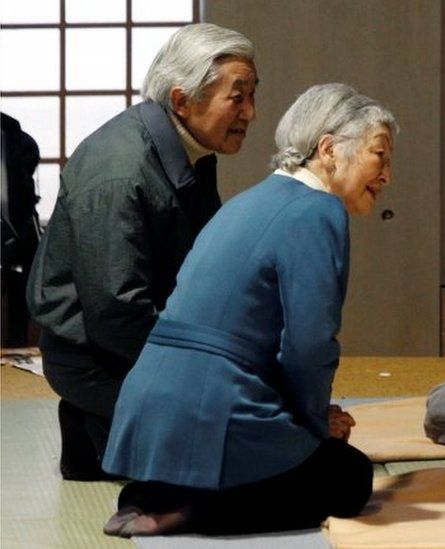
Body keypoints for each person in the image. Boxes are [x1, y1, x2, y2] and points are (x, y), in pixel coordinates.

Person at [100, 83, 397, 537]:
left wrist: (307, 416)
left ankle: (161, 493)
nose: (387, 175)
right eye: (380, 154)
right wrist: (316, 422)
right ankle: (199, 510)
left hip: (151, 411)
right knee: (350, 478)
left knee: (309, 451)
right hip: (215, 406)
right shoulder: (318, 212)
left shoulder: (249, 201)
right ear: (329, 149)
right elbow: (307, 346)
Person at [25, 23, 257, 481]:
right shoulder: (120, 170)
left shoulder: (189, 150)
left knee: (255, 409)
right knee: (238, 439)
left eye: (253, 94)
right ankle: (99, 424)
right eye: (237, 96)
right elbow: (116, 312)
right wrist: (205, 370)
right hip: (97, 357)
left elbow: (206, 265)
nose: (251, 112)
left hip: (140, 342)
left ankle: (100, 430)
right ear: (182, 100)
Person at [1, 113, 41, 347]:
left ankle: (18, 347)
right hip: (15, 226)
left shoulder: (15, 137)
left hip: (17, 229)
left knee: (21, 294)